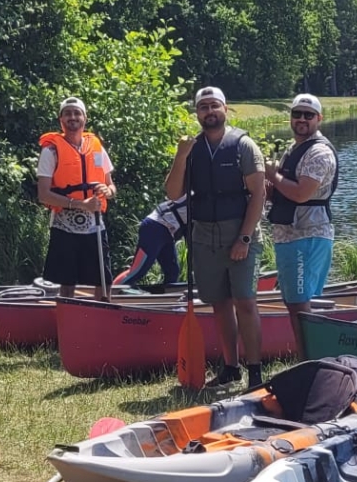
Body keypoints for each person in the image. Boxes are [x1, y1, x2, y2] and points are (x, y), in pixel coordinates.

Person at [164, 86, 268, 387]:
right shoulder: (191, 148)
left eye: (214, 106)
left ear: (226, 109)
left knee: (245, 302)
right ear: (197, 113)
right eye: (203, 107)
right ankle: (230, 367)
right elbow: (173, 193)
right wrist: (181, 156)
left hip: (240, 233)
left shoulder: (244, 146)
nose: (209, 112)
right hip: (204, 236)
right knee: (220, 303)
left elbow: (258, 194)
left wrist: (244, 239)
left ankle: (255, 372)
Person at [264, 93, 338, 339]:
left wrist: (273, 175)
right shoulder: (293, 149)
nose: (302, 119)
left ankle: (311, 361)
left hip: (307, 235)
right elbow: (285, 192)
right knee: (294, 302)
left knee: (300, 305)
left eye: (309, 115)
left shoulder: (319, 153)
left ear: (319, 118)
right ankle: (307, 359)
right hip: (290, 236)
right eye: (297, 114)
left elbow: (301, 194)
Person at [36, 97, 116, 300]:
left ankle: (102, 319)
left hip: (94, 223)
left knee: (104, 280)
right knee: (67, 282)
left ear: (84, 118)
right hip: (65, 223)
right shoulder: (51, 150)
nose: (73, 117)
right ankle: (67, 320)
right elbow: (43, 194)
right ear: (61, 119)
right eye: (68, 113)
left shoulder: (96, 147)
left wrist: (108, 191)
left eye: (77, 113)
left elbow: (111, 184)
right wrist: (80, 204)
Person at [113, 196, 189, 287]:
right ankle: (113, 292)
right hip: (155, 227)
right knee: (138, 270)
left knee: (172, 272)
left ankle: (166, 298)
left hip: (168, 233)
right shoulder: (196, 197)